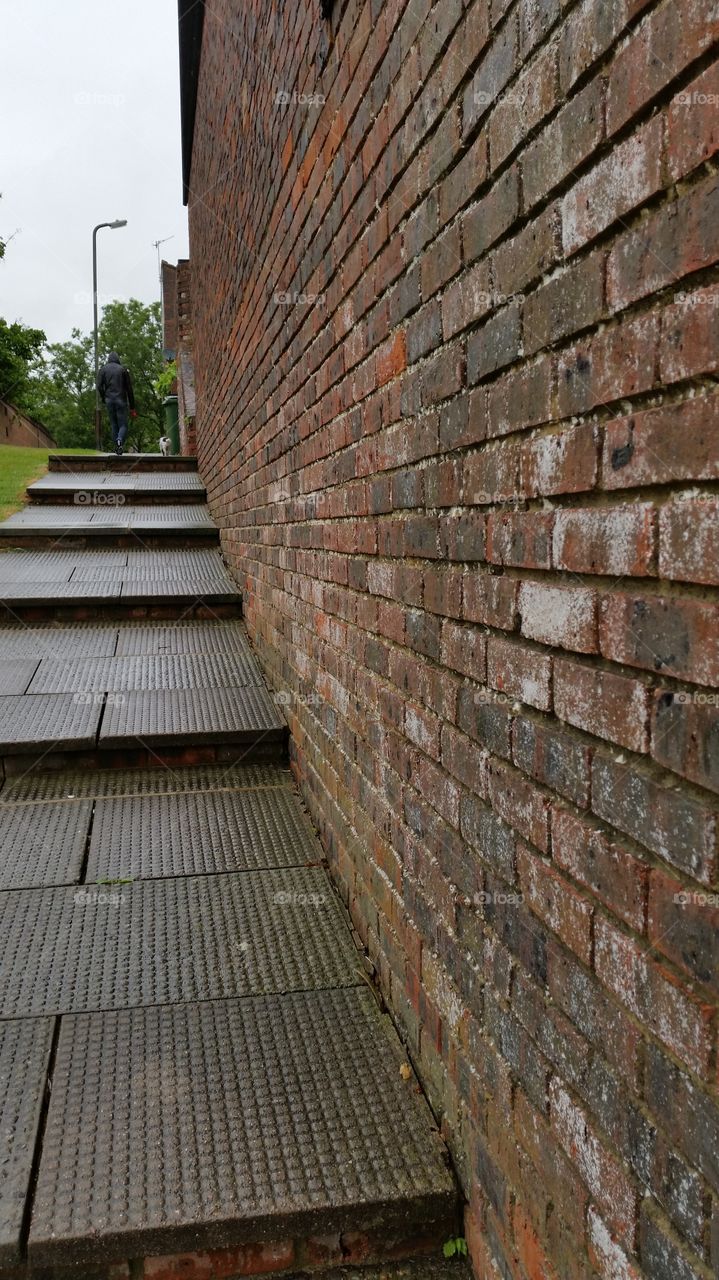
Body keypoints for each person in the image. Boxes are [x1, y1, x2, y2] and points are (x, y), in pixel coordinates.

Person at [97, 351, 136, 455]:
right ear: (118, 359)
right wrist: (132, 407)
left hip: (109, 400)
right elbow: (129, 389)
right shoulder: (123, 370)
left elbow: (99, 386)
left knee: (114, 424)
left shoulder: (103, 369)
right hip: (121, 400)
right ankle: (120, 441)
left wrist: (103, 397)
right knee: (123, 425)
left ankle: (117, 447)